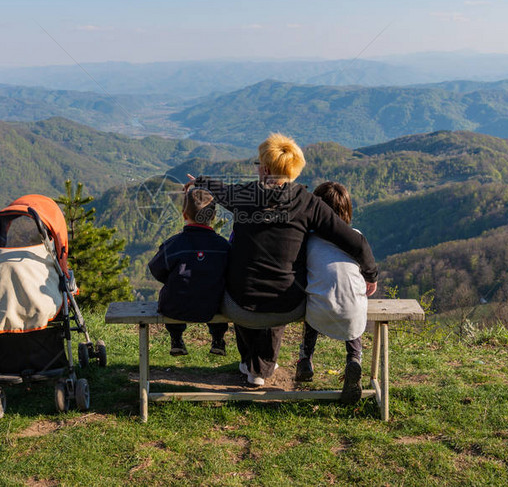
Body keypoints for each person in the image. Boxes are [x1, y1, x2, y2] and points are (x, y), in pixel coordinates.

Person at [189, 133, 378, 387]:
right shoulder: (309, 203)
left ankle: (251, 364)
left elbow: (221, 191)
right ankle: (262, 365)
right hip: (287, 308)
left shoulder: (245, 195)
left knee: (237, 287)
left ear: (266, 169)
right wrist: (371, 276)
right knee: (280, 288)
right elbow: (356, 243)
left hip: (240, 306)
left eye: (258, 164)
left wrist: (199, 182)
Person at [295, 181, 377, 403]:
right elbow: (366, 264)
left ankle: (306, 358)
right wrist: (371, 279)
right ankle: (354, 359)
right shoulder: (356, 235)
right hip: (353, 312)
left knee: (316, 298)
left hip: (318, 310)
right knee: (352, 305)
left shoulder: (308, 240)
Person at [148, 187, 231, 356]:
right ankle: (217, 339)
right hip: (212, 306)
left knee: (172, 293)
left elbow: (155, 268)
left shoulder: (174, 244)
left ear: (184, 215)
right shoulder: (223, 246)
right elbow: (230, 272)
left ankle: (176, 338)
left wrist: (173, 280)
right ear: (213, 216)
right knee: (218, 295)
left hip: (175, 307)